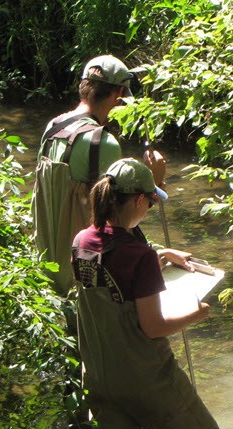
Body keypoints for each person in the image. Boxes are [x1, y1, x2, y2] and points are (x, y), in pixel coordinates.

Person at [71, 158, 226, 429]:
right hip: (146, 379)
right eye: (152, 202)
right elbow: (154, 327)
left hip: (98, 377)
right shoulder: (139, 256)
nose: (151, 208)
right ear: (140, 200)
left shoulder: (81, 241)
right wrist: (196, 313)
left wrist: (160, 252)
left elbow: (111, 269)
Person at [33, 54, 166, 296]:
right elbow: (124, 220)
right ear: (117, 95)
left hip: (47, 263)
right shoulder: (103, 142)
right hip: (84, 272)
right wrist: (153, 182)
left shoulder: (53, 127)